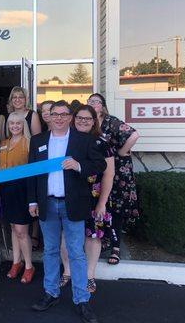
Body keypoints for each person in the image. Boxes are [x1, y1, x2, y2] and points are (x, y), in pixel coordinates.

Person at [27, 100, 105, 323]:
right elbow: (33, 174)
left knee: (76, 253)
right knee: (50, 250)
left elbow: (100, 165)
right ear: (48, 117)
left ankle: (82, 300)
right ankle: (50, 293)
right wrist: (32, 201)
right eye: (54, 114)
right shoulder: (38, 141)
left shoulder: (84, 140)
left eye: (63, 114)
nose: (59, 118)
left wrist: (79, 166)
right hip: (47, 203)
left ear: (70, 118)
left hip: (73, 204)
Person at [59, 105, 115, 293]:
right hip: (71, 194)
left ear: (94, 121)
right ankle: (67, 271)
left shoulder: (102, 142)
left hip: (95, 196)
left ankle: (90, 276)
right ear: (74, 119)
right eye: (79, 118)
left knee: (92, 236)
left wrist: (102, 203)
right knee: (67, 235)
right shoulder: (66, 139)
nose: (83, 121)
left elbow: (108, 174)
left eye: (87, 119)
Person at [87, 93, 140, 266]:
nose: (93, 104)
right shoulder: (89, 123)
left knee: (115, 209)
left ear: (102, 106)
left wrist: (121, 152)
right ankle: (105, 240)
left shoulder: (111, 121)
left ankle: (116, 247)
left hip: (117, 172)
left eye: (96, 102)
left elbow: (134, 135)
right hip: (99, 172)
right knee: (101, 206)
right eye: (90, 101)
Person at [0, 112, 35, 284]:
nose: (14, 126)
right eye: (11, 123)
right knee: (13, 227)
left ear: (24, 125)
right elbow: (0, 169)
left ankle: (29, 265)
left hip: (23, 191)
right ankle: (16, 261)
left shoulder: (29, 143)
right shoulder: (3, 143)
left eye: (18, 123)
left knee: (22, 231)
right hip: (6, 191)